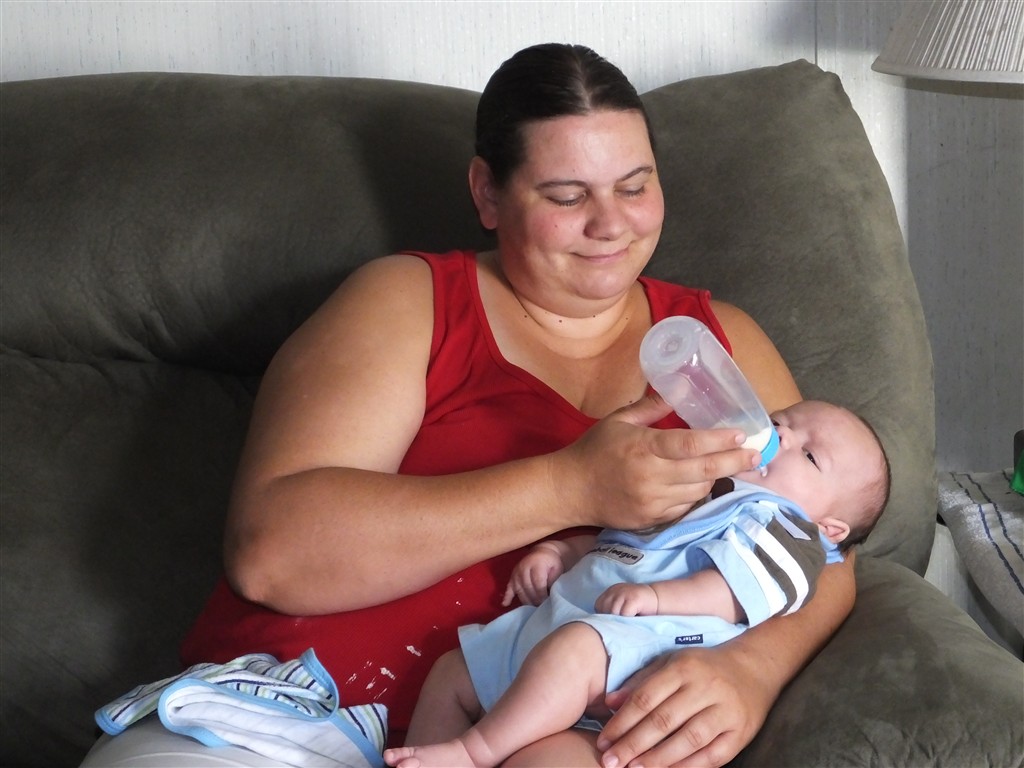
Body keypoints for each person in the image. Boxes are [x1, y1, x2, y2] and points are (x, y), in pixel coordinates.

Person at [82, 43, 859, 768]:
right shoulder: (409, 303)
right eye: (566, 195)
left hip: (547, 739)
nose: (611, 224)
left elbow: (828, 551)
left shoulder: (721, 345)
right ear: (488, 192)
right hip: (286, 722)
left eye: (635, 186)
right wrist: (570, 487)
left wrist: (753, 670)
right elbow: (271, 554)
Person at [383, 399, 890, 768]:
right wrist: (560, 553)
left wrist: (657, 597)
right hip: (554, 635)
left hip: (629, 665)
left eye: (810, 456)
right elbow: (617, 544)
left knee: (553, 733)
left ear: (831, 529)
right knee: (451, 673)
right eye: (782, 419)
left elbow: (733, 593)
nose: (782, 435)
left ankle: (473, 752)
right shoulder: (700, 488)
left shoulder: (786, 528)